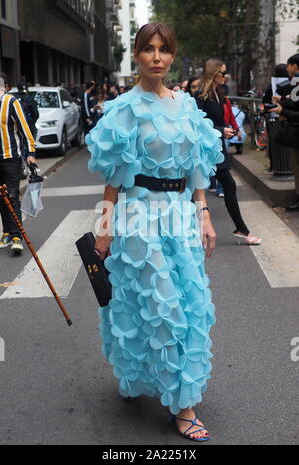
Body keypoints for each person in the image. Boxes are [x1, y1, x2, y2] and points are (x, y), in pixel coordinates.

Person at [86, 22, 224, 442]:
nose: (157, 58)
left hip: (181, 218)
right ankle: (183, 407)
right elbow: (113, 176)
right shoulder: (123, 108)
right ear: (138, 55)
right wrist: (104, 228)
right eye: (149, 50)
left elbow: (198, 167)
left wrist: (204, 214)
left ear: (172, 54)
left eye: (164, 50)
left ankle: (158, 380)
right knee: (159, 307)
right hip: (140, 219)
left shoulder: (186, 106)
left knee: (190, 305)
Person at [195, 58, 261, 245]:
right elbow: (198, 123)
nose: (226, 76)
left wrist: (226, 128)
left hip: (216, 147)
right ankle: (198, 230)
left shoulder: (218, 94)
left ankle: (241, 229)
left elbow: (215, 121)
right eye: (223, 73)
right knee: (196, 189)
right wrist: (220, 129)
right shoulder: (201, 96)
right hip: (205, 149)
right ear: (213, 73)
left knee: (227, 185)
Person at [0, 77, 36, 255]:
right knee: (0, 197)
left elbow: (24, 128)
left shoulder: (11, 102)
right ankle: (6, 232)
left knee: (12, 195)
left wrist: (30, 153)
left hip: (11, 158)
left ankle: (16, 236)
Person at [271, 54, 299, 211]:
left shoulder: (297, 80)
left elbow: (295, 106)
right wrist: (282, 100)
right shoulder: (296, 81)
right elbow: (295, 102)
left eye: (288, 65)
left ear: (294, 65)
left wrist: (283, 110)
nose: (286, 68)